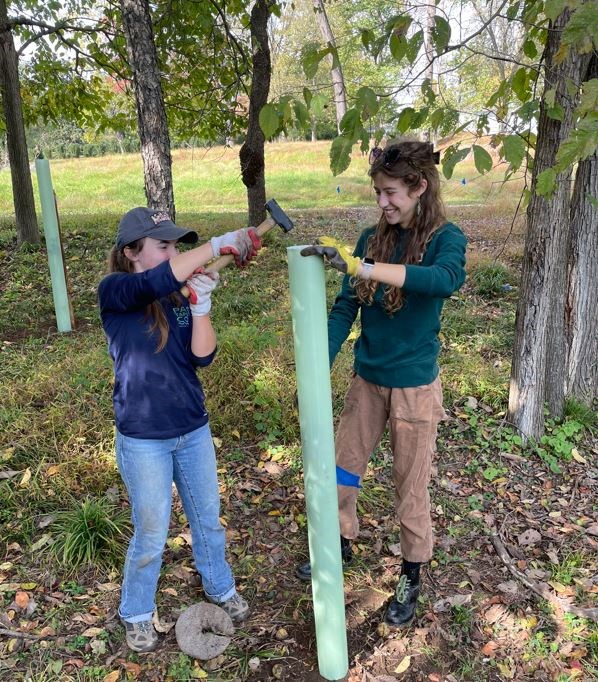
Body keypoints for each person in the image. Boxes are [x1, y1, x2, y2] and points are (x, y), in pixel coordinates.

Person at [297, 139, 467, 628]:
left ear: (419, 187)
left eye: (391, 192)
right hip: (367, 382)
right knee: (343, 470)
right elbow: (346, 306)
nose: (383, 203)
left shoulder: (446, 238)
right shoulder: (371, 237)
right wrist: (315, 366)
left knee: (409, 488)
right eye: (378, 193)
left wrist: (365, 268)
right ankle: (340, 543)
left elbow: (441, 280)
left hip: (413, 386)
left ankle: (411, 573)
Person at [98, 207, 261, 652]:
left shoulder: (177, 295)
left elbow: (202, 358)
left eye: (177, 245)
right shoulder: (115, 291)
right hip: (143, 438)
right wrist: (216, 245)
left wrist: (201, 305)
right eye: (163, 245)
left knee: (208, 520)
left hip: (191, 429)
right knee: (151, 533)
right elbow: (152, 283)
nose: (174, 252)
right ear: (132, 252)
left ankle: (220, 586)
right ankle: (135, 611)